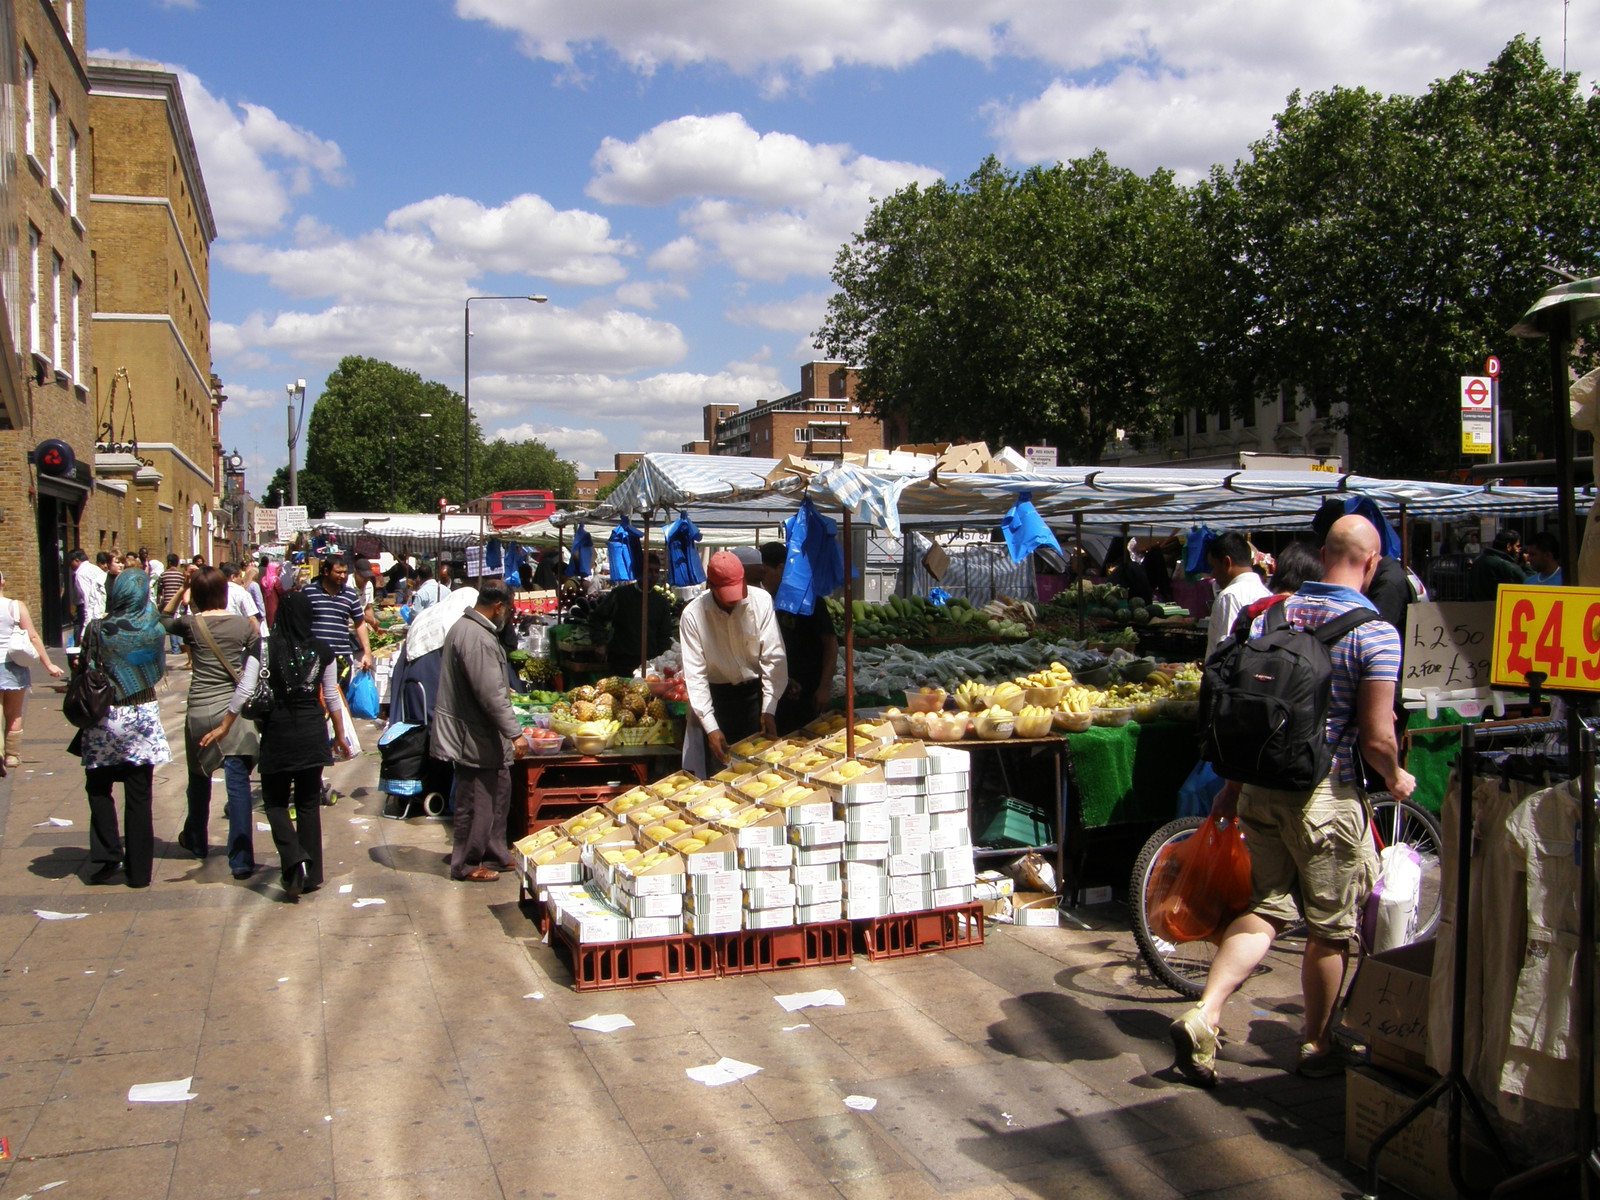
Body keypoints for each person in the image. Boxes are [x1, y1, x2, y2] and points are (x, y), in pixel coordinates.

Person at [1170, 516, 1414, 1088]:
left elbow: (1249, 710)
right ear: (1371, 563)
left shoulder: (1272, 612)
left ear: (1322, 553)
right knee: (1330, 927)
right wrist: (1397, 777)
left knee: (1266, 908)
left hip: (1258, 786)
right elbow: (1378, 737)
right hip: (1326, 797)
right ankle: (1317, 1042)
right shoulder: (1375, 632)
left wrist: (1232, 787)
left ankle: (1205, 1013)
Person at [204, 590, 350, 900]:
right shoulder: (322, 650)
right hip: (312, 732)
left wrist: (225, 725)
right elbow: (332, 695)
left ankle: (293, 858)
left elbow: (245, 688)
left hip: (278, 733)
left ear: (279, 616)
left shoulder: (265, 647)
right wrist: (339, 736)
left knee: (275, 802)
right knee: (309, 804)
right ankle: (312, 875)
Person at [76, 568, 171, 889]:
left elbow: (84, 666)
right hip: (141, 716)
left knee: (99, 788)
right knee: (139, 796)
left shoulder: (97, 628)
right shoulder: (154, 631)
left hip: (103, 717)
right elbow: (156, 669)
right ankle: (140, 871)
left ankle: (106, 856)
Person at [162, 566, 259, 879]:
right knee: (238, 787)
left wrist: (181, 589)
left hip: (201, 710)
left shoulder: (190, 624)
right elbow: (256, 661)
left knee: (199, 779)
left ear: (197, 595)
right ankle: (241, 860)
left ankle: (197, 840)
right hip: (235, 711)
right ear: (225, 593)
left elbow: (162, 620)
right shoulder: (244, 625)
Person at [432, 583, 527, 882]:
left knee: (499, 791)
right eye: (509, 610)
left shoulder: (474, 631)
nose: (508, 617)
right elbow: (490, 695)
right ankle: (466, 863)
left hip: (483, 734)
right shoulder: (476, 637)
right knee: (476, 802)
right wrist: (515, 733)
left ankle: (494, 850)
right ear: (499, 606)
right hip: (471, 735)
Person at [680, 549, 787, 767]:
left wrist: (769, 707)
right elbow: (696, 676)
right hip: (718, 699)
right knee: (722, 771)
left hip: (754, 695)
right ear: (711, 587)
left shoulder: (761, 601)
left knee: (761, 767)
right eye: (727, 595)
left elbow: (773, 657)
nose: (734, 601)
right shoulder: (692, 615)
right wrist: (711, 727)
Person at [759, 541, 838, 732]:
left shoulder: (809, 599)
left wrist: (824, 687)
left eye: (765, 573)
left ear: (781, 568)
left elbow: (831, 644)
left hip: (808, 690)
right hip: (780, 689)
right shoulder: (765, 600)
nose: (763, 580)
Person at [0, 567, 65, 768]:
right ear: (2, 582)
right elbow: (33, 637)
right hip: (13, 666)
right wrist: (49, 665)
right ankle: (11, 755)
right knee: (14, 712)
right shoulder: (15, 607)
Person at [592, 552, 675, 676]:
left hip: (649, 665)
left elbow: (664, 636)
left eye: (656, 571)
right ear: (640, 572)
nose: (653, 575)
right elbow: (596, 618)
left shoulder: (661, 602)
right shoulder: (620, 595)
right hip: (621, 662)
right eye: (649, 571)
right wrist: (600, 643)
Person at [304, 554, 373, 684]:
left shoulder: (350, 595)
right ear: (326, 571)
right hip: (315, 657)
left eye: (345, 573)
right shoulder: (309, 592)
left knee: (339, 698)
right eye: (338, 572)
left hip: (341, 659)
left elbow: (360, 624)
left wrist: (367, 652)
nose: (342, 576)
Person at [1204, 532, 1271, 658]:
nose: (1212, 575)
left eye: (1213, 567)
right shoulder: (1267, 594)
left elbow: (1225, 650)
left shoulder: (1229, 596)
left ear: (1226, 562)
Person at [1467, 528, 1525, 602]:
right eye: (1517, 546)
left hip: (1478, 609)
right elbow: (1528, 585)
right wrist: (1527, 566)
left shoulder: (1477, 561)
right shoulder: (1507, 566)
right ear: (1509, 546)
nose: (1518, 550)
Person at [70, 548, 107, 638]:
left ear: (76, 560)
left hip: (85, 612)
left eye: (70, 562)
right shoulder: (95, 569)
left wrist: (85, 627)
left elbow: (87, 599)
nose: (69, 565)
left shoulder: (81, 574)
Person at [220, 562, 263, 636]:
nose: (242, 580)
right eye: (240, 576)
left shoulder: (214, 590)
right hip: (237, 634)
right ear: (233, 577)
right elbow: (252, 618)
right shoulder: (241, 592)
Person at [157, 553, 188, 654]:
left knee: (170, 624)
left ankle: (175, 648)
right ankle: (179, 645)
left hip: (168, 603)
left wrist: (158, 602)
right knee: (178, 623)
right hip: (178, 602)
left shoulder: (164, 574)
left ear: (169, 563)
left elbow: (159, 589)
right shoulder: (180, 575)